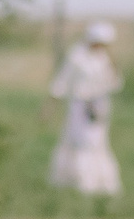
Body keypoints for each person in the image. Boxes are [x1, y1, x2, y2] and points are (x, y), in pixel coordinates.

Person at [48, 23, 122, 198]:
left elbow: (115, 83)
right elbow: (62, 81)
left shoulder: (104, 58)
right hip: (79, 106)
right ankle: (80, 181)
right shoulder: (77, 56)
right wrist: (51, 103)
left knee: (97, 142)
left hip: (99, 106)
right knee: (80, 142)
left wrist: (112, 63)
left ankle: (100, 183)